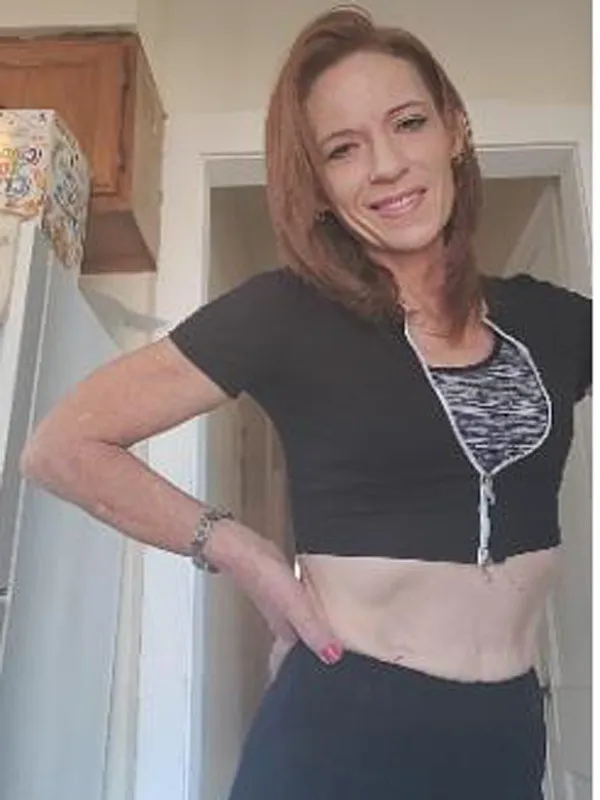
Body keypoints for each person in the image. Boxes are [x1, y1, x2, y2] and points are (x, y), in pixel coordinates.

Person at [20, 6, 591, 800]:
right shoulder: (283, 314)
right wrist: (245, 554)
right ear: (319, 187)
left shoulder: (555, 322)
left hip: (507, 731)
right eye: (342, 149)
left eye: (408, 123)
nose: (385, 165)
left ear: (454, 131)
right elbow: (61, 447)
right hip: (344, 727)